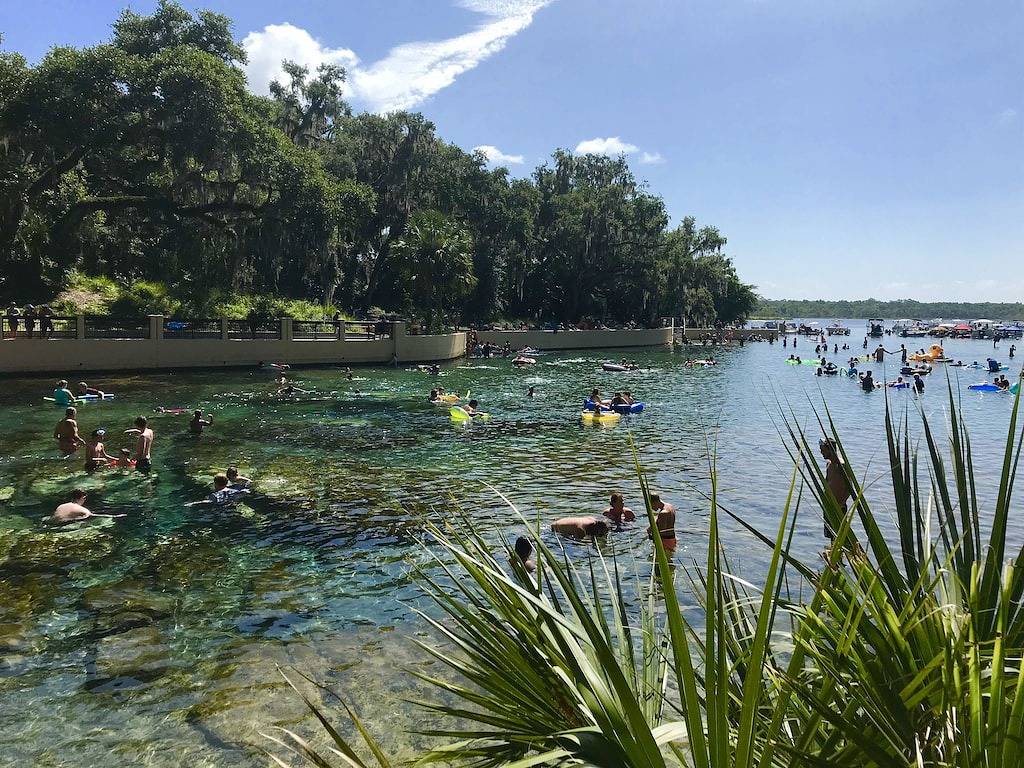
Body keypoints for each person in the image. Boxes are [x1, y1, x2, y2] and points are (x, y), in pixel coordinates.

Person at [819, 438, 852, 541]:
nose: (821, 452)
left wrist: (841, 502)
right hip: (829, 507)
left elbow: (849, 487)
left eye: (823, 450)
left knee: (839, 537)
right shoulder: (829, 465)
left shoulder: (841, 465)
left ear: (830, 450)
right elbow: (827, 483)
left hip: (839, 508)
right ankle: (832, 555)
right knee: (831, 537)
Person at [52, 490, 125, 523]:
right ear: (82, 498)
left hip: (53, 522)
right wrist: (115, 516)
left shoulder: (61, 506)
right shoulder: (83, 510)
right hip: (65, 525)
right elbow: (96, 516)